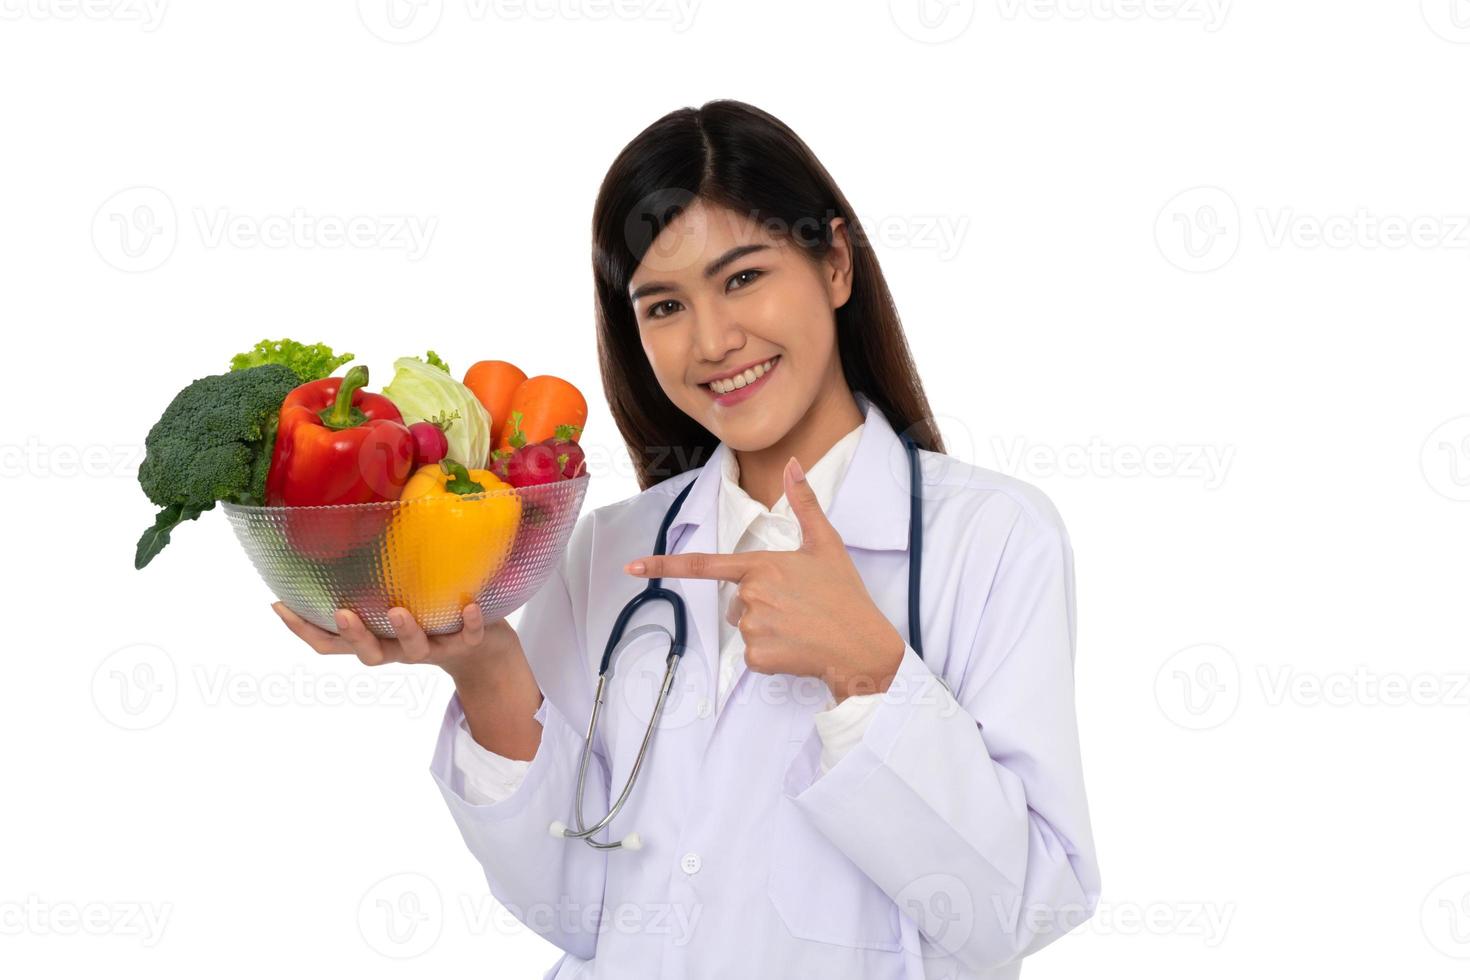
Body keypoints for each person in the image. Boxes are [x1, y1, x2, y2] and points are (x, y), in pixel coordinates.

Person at [274, 99, 1100, 980]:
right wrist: (485, 670)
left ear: (835, 263)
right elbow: (577, 906)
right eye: (664, 305)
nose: (712, 341)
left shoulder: (993, 539)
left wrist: (869, 674)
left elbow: (1021, 911)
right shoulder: (603, 550)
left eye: (743, 277)